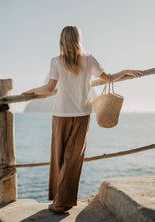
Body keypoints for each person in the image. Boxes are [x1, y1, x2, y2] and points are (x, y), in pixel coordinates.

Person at [21, 25, 143, 213]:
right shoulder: (89, 60)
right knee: (73, 159)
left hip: (61, 114)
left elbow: (47, 89)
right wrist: (125, 71)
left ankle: (59, 202)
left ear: (62, 40)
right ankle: (64, 200)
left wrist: (31, 91)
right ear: (79, 39)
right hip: (82, 114)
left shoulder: (56, 61)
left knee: (59, 157)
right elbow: (108, 78)